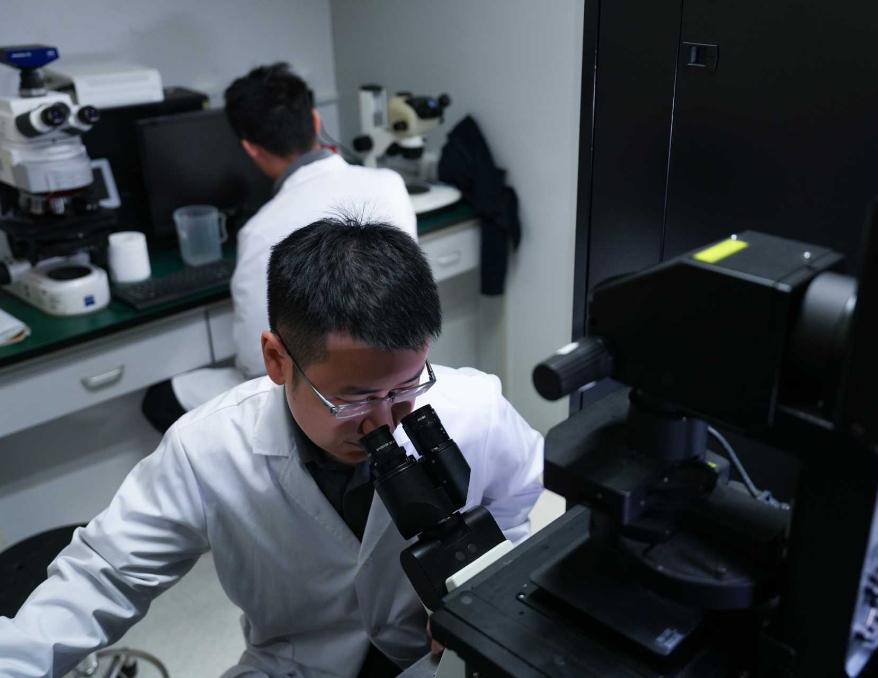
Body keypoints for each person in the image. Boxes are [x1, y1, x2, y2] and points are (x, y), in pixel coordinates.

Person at [0, 218, 544, 677]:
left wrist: (481, 591)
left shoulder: (472, 409)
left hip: (434, 660)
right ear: (277, 359)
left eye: (405, 387)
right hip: (294, 667)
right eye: (353, 399)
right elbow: (105, 575)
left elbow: (521, 496)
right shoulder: (207, 448)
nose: (384, 421)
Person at [143, 63, 416, 431]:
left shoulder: (261, 230)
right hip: (395, 373)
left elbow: (255, 363)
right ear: (316, 121)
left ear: (250, 149)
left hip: (322, 393)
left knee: (159, 400)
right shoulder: (389, 183)